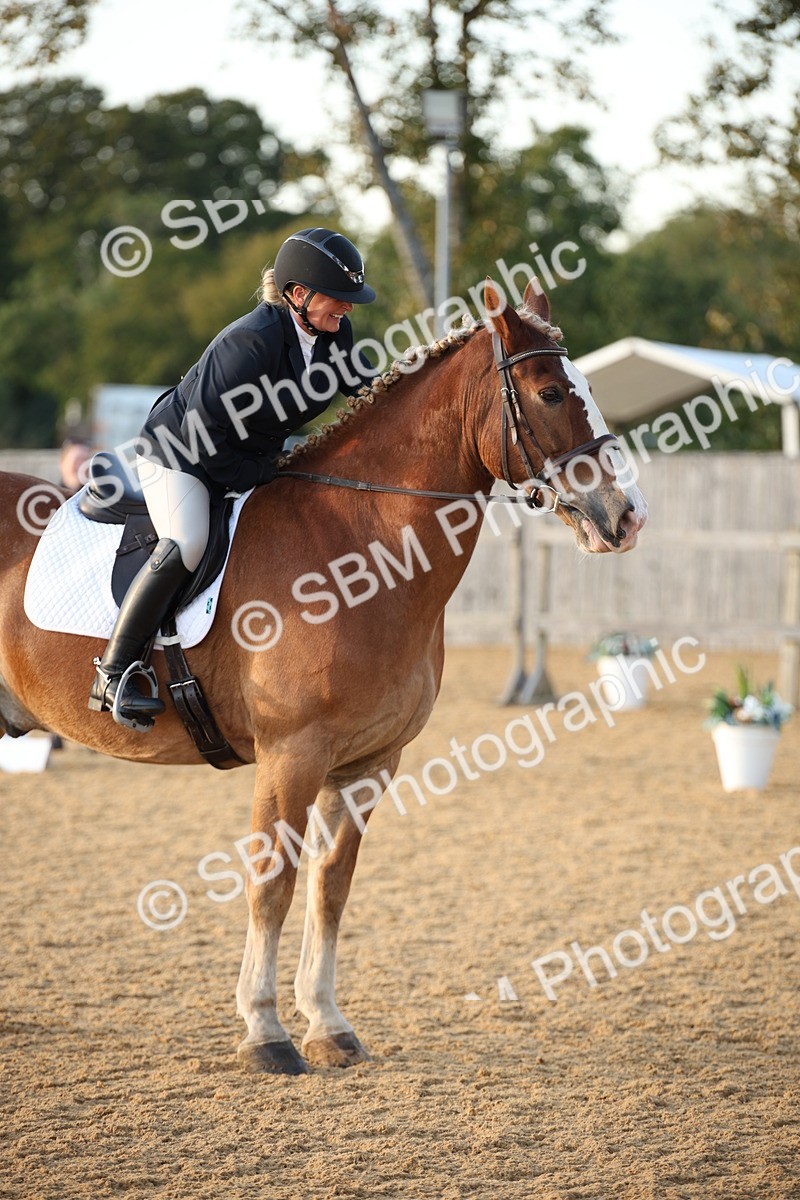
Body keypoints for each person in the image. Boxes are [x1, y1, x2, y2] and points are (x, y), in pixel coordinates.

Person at [88, 227, 377, 731]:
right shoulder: (251, 343)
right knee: (188, 540)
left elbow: (368, 393)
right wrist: (265, 472)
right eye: (339, 298)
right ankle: (115, 671)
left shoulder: (334, 334)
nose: (347, 309)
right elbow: (206, 440)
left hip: (247, 455)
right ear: (298, 294)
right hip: (183, 454)